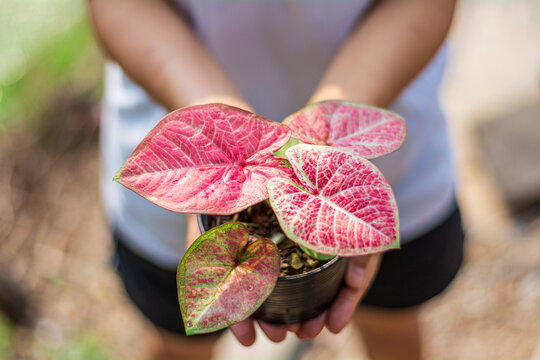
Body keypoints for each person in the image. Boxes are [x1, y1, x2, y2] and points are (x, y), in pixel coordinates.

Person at [87, 0, 464, 359]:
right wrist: (229, 134)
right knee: (179, 344)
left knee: (394, 325)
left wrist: (318, 139)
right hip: (172, 107)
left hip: (391, 141)